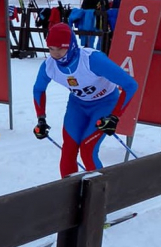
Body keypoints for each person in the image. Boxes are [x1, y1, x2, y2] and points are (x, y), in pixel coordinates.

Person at [32, 22, 137, 178]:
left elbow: (130, 85)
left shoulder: (92, 60)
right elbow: (38, 89)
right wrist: (41, 119)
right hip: (78, 106)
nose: (56, 54)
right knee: (69, 150)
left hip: (105, 103)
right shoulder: (49, 66)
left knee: (88, 149)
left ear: (72, 45)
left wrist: (114, 117)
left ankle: (101, 194)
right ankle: (68, 196)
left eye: (61, 48)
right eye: (51, 49)